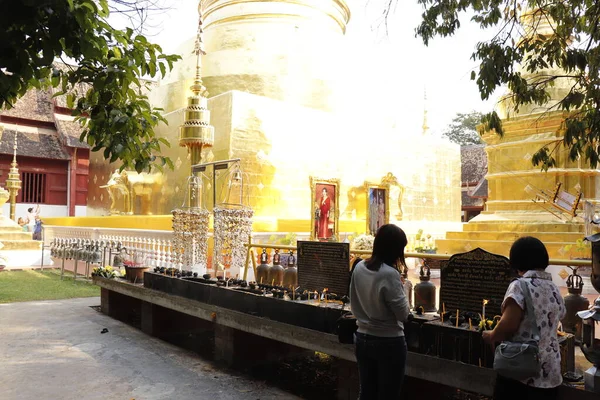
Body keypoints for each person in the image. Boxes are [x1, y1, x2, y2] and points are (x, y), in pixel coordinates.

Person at [482, 236, 566, 400]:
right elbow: (561, 315)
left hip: (521, 371)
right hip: (550, 373)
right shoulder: (555, 288)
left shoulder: (520, 286)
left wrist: (491, 335)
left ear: (516, 261)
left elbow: (508, 325)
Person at [350, 224, 410, 399]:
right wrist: (403, 287)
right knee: (388, 394)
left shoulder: (359, 266)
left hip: (362, 337)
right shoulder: (389, 274)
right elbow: (403, 314)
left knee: (367, 392)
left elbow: (353, 298)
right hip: (389, 341)